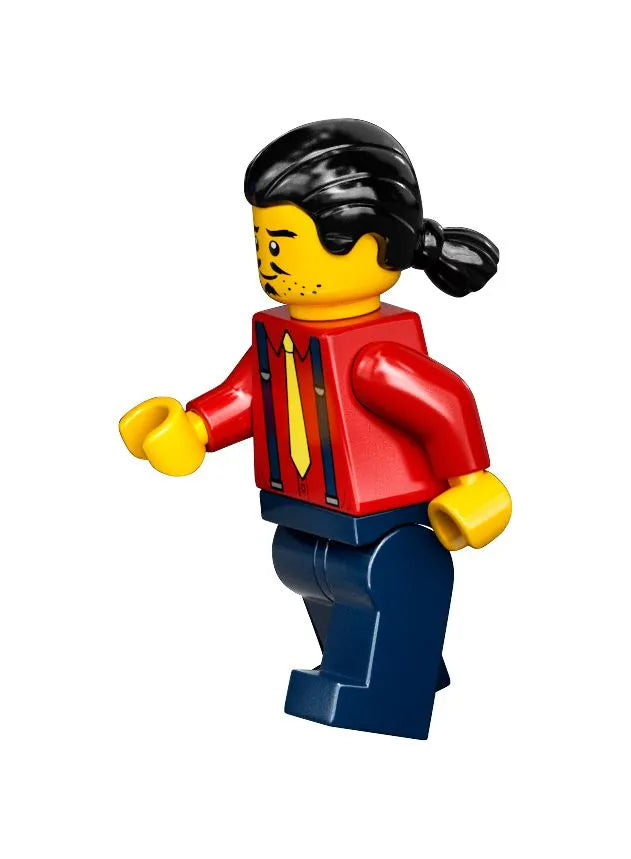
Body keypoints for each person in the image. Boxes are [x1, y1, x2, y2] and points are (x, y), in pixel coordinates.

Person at [119, 119, 511, 740]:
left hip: (390, 522)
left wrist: (472, 480)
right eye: (262, 242)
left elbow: (444, 403)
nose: (268, 262)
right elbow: (249, 394)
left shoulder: (374, 357)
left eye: (283, 243)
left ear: (372, 244)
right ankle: (397, 667)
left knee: (381, 585)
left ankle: (378, 696)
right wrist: (193, 428)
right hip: (308, 510)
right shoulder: (284, 339)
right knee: (316, 577)